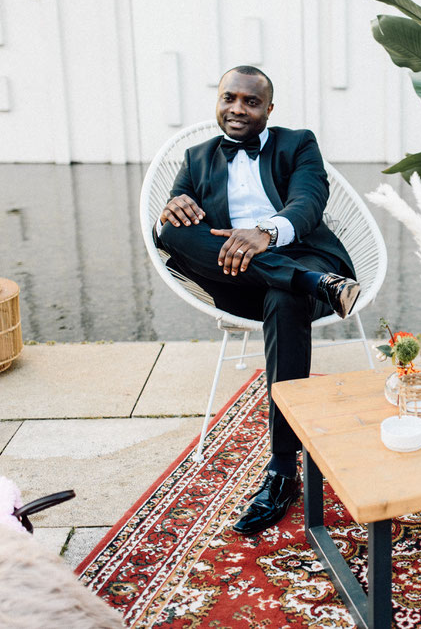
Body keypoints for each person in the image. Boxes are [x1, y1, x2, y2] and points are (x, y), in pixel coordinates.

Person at [155, 65, 361, 535]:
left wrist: (264, 233)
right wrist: (172, 209)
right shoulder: (196, 157)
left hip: (299, 255)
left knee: (285, 300)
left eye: (251, 102)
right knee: (171, 232)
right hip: (238, 284)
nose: (237, 109)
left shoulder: (298, 143)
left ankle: (282, 471)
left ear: (269, 109)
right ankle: (313, 283)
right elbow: (172, 226)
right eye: (230, 98)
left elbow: (308, 203)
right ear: (218, 100)